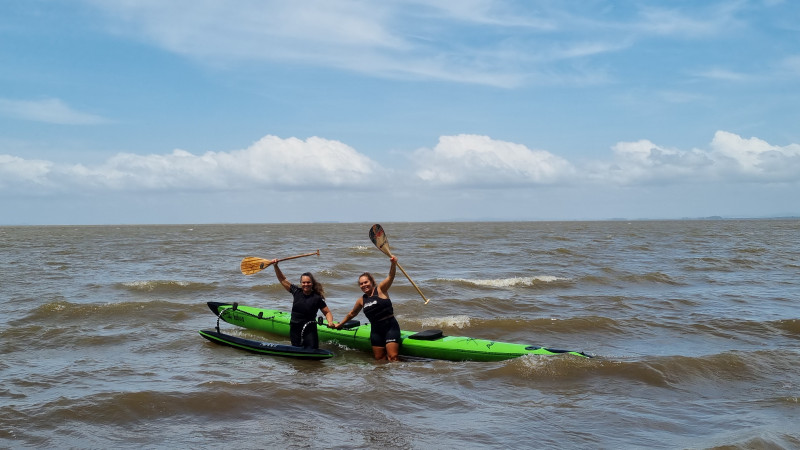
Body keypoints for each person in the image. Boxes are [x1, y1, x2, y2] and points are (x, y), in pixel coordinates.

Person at [335, 256, 401, 361]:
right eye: (361, 284)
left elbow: (391, 276)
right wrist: (340, 324)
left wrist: (393, 264)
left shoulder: (381, 289)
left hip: (390, 327)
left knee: (393, 357)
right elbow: (352, 314)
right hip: (376, 331)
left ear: (371, 281)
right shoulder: (361, 300)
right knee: (379, 359)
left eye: (366, 282)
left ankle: (401, 373)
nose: (364, 285)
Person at [272, 260, 334, 349]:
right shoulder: (296, 291)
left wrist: (330, 322)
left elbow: (327, 312)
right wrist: (276, 266)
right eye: (303, 282)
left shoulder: (317, 298)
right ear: (301, 283)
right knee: (296, 351)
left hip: (309, 328)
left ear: (312, 284)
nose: (306, 284)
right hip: (295, 327)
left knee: (312, 349)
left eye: (308, 282)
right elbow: (283, 280)